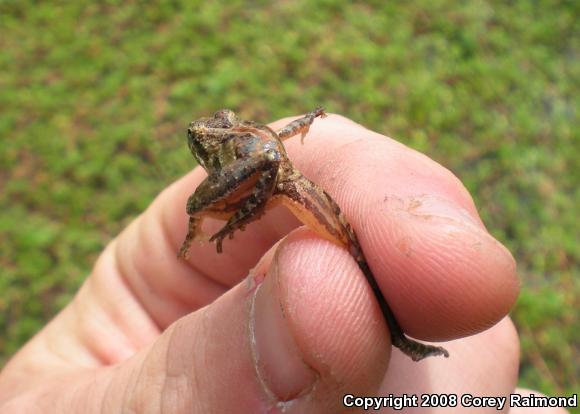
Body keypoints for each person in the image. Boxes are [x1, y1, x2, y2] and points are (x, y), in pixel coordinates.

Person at [0, 114, 568, 413]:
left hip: (291, 182)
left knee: (359, 259)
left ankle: (406, 340)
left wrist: (235, 220)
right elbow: (273, 155)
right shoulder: (248, 151)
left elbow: (269, 172)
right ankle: (407, 343)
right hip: (289, 181)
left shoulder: (251, 161)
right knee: (352, 268)